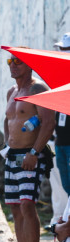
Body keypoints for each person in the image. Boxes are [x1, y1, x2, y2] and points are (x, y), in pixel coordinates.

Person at [0, 53, 55, 242]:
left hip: (30, 156)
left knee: (27, 205)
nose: (12, 65)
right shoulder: (12, 92)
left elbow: (48, 122)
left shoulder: (37, 89)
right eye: (9, 61)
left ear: (29, 64)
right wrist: (5, 144)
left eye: (17, 61)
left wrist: (34, 152)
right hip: (12, 156)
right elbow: (8, 119)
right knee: (15, 207)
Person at [54, 32, 70, 196]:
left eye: (67, 48)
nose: (63, 52)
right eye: (62, 48)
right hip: (60, 141)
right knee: (66, 186)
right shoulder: (58, 78)